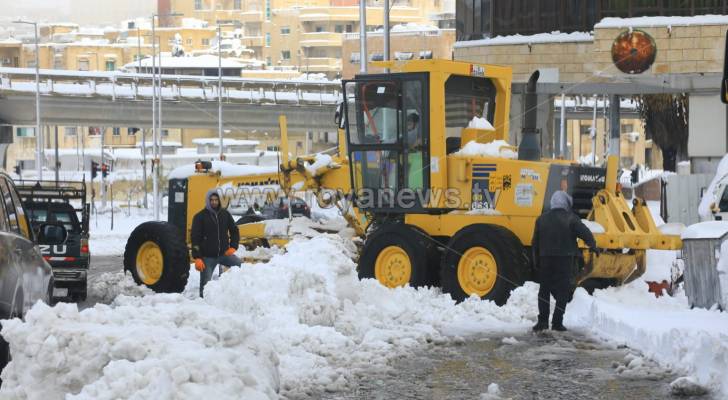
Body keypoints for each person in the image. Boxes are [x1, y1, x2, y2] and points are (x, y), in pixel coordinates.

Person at [531, 190, 597, 332]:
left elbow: (535, 242)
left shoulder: (541, 219)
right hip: (565, 259)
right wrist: (593, 246)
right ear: (566, 203)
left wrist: (536, 260)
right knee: (562, 291)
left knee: (544, 290)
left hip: (545, 259)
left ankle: (542, 322)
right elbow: (585, 233)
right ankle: (557, 323)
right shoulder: (571, 218)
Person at [190, 189, 241, 297]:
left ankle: (237, 294)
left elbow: (234, 230)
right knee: (205, 287)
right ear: (208, 201)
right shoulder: (199, 217)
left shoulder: (225, 214)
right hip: (207, 258)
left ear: (219, 200)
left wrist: (233, 247)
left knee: (241, 266)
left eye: (216, 200)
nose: (214, 202)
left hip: (224, 254)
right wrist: (197, 257)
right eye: (211, 200)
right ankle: (204, 304)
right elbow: (195, 238)